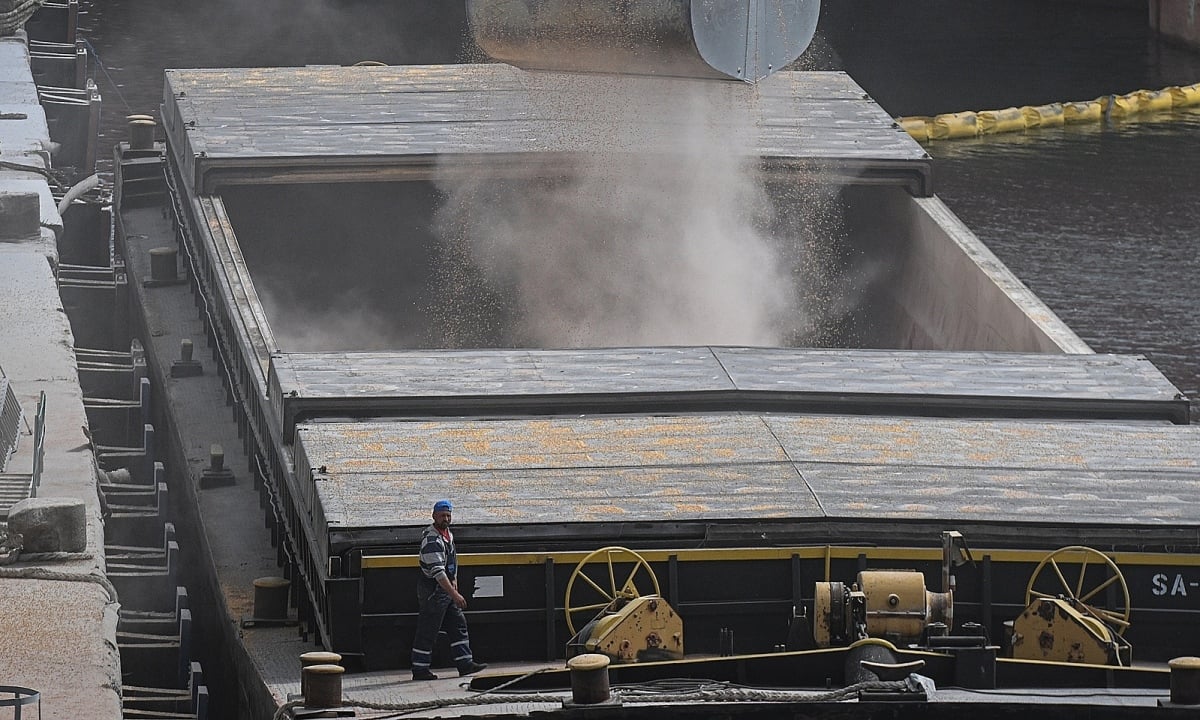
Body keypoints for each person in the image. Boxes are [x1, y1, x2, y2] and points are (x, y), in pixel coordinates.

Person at [410, 499, 487, 680]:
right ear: (434, 516)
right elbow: (438, 572)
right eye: (442, 515)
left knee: (458, 625)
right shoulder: (431, 540)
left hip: (446, 590)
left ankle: (465, 663)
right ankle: (419, 669)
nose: (445, 518)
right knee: (428, 630)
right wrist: (456, 595)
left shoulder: (448, 536)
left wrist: (455, 581)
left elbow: (452, 561)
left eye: (448, 515)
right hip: (433, 592)